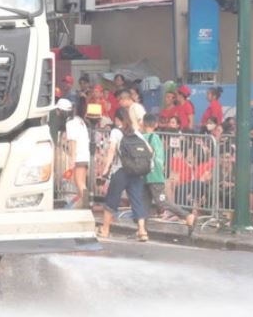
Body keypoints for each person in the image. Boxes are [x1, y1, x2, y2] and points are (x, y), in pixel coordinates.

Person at [97, 105, 150, 242]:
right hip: (137, 171)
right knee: (137, 200)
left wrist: (105, 169)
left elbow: (111, 151)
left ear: (117, 119)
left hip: (121, 171)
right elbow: (149, 150)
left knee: (111, 200)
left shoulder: (116, 132)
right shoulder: (137, 133)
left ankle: (105, 229)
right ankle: (142, 231)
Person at [143, 113, 198, 235]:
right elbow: (160, 159)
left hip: (152, 176)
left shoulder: (151, 138)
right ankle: (142, 230)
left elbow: (158, 159)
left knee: (161, 201)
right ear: (155, 124)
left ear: (143, 123)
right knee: (144, 202)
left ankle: (187, 215)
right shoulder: (153, 138)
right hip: (151, 175)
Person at [62, 96, 91, 208]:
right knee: (81, 183)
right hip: (84, 155)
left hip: (78, 156)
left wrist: (72, 159)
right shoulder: (81, 122)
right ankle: (82, 206)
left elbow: (72, 141)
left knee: (79, 183)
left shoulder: (71, 122)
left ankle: (86, 206)